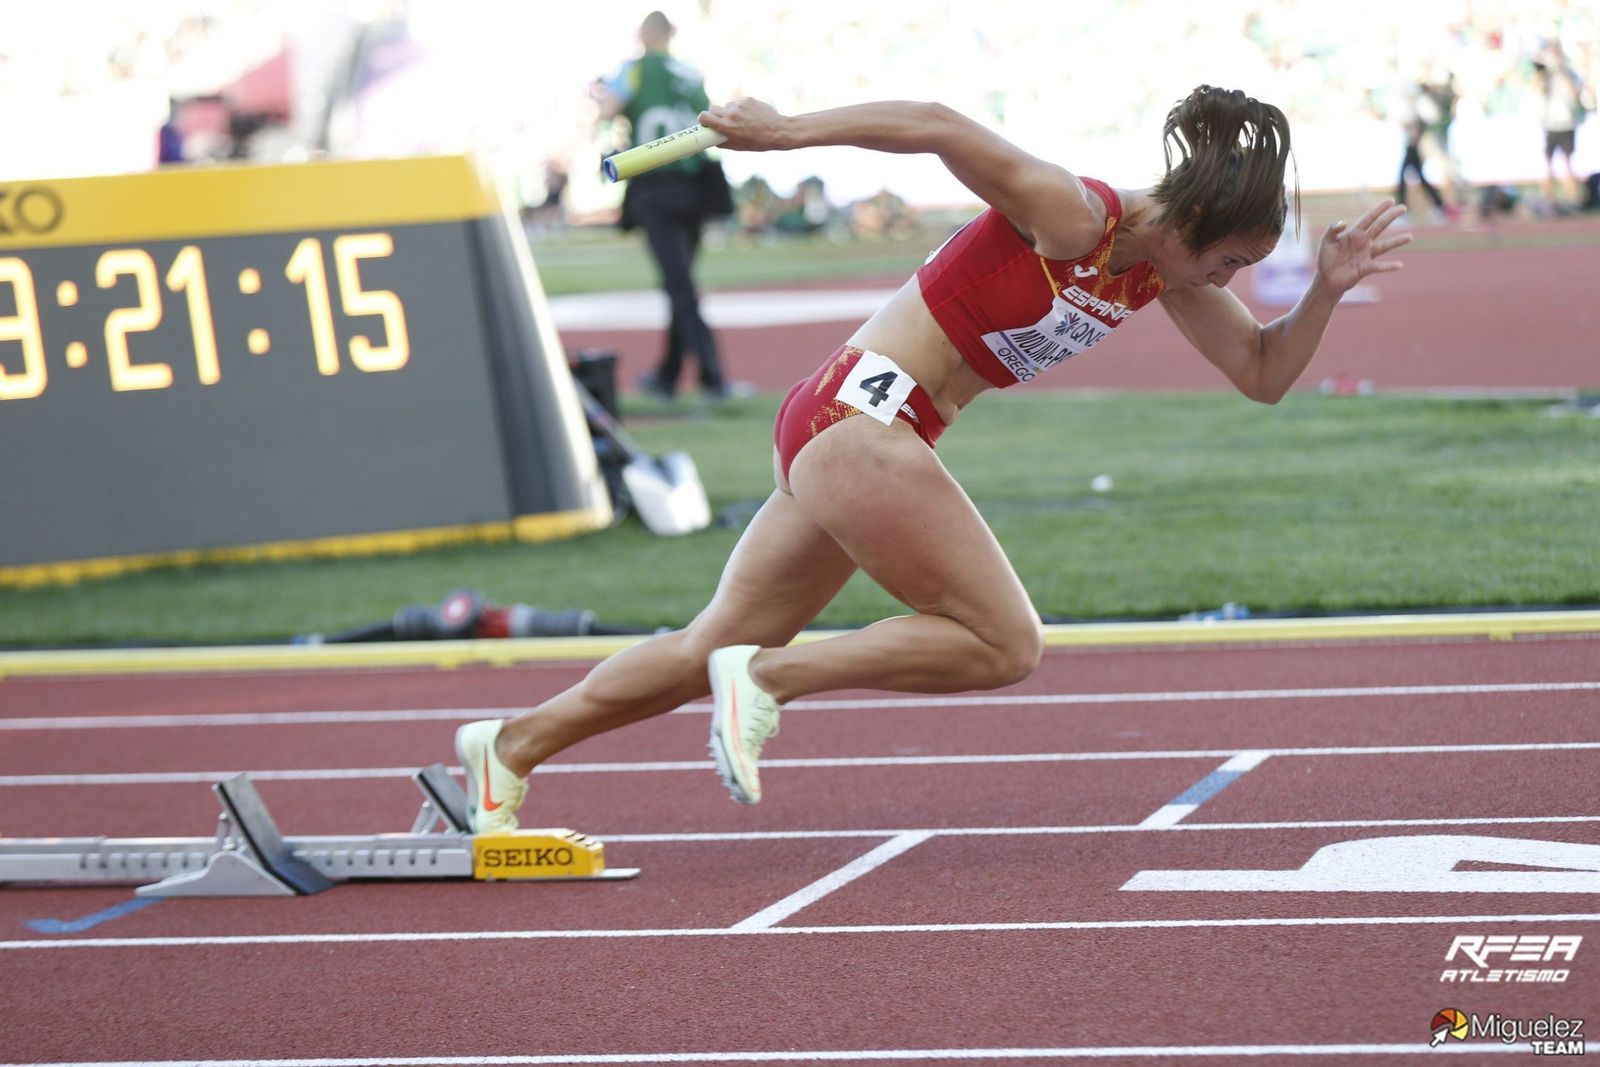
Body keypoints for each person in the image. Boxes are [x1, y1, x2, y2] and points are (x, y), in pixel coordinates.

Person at [455, 85, 1410, 828]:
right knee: (1004, 640)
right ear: (1198, 220)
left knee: (703, 646)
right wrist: (787, 132)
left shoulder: (1160, 274)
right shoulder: (1077, 217)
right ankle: (770, 679)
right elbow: (935, 123)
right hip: (857, 421)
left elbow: (1261, 370)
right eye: (1233, 262)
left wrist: (1323, 291)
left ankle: (509, 746)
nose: (1230, 281)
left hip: (860, 437)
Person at [595, 11, 741, 401]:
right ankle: (667, 375)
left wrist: (598, 96)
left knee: (680, 287)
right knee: (681, 284)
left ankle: (714, 379)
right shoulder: (689, 73)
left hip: (654, 186)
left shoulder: (635, 70)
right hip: (694, 185)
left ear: (645, 34)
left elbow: (608, 110)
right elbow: (711, 119)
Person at [1532, 42, 1588, 213]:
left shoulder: (1570, 73)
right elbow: (1536, 89)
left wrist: (1561, 73)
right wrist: (1543, 73)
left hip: (1566, 123)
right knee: (1547, 163)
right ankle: (1548, 200)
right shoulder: (1545, 75)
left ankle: (1573, 199)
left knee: (1567, 162)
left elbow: (1575, 94)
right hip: (1550, 123)